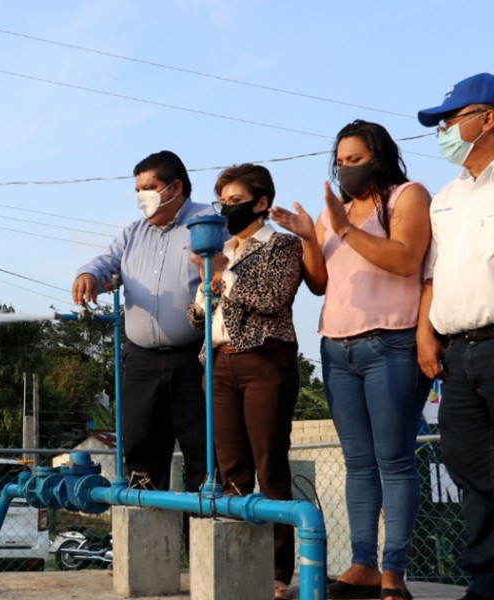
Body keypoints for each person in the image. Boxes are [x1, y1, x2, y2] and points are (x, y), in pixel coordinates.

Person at [270, 120, 432, 600]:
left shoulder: (408, 197)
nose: (344, 168)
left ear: (379, 157)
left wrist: (343, 229)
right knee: (358, 462)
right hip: (336, 346)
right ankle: (362, 563)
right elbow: (320, 282)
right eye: (339, 160)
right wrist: (309, 236)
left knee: (395, 460)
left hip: (392, 342)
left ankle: (393, 572)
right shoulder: (333, 213)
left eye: (355, 159)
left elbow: (405, 260)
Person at [187, 164, 302, 600]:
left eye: (234, 201)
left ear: (260, 203)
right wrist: (205, 287)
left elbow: (273, 299)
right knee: (231, 471)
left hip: (263, 360)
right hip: (218, 362)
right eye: (222, 202)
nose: (225, 209)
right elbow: (196, 316)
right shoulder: (218, 249)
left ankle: (276, 574)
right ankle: (237, 566)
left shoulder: (282, 245)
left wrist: (225, 275)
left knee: (269, 464)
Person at [72, 150, 213, 492]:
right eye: (137, 189)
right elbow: (105, 262)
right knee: (140, 448)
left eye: (149, 187)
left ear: (175, 187)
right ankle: (147, 526)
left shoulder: (206, 223)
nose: (141, 197)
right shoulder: (133, 233)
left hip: (194, 357)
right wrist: (89, 274)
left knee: (202, 450)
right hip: (141, 360)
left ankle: (199, 531)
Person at [416, 72, 494, 600]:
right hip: (458, 354)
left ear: (487, 118)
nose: (443, 130)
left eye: (451, 119)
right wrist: (426, 334)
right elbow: (434, 275)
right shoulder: (445, 197)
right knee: (467, 467)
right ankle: (486, 582)